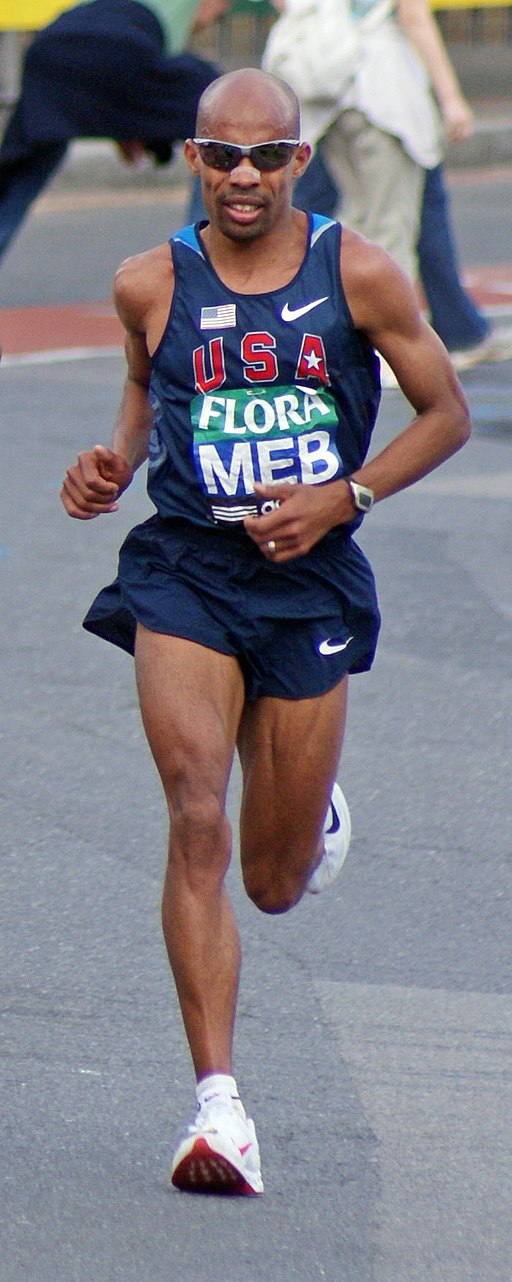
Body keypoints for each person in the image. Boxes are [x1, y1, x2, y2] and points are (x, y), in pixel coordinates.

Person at [60, 67, 470, 1196]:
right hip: (187, 571)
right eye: (220, 155)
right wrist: (110, 463)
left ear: (298, 160)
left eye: (266, 157)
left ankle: (309, 802)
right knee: (195, 812)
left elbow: (446, 412)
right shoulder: (148, 282)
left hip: (309, 583)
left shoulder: (359, 272)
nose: (242, 176)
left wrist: (346, 497)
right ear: (192, 158)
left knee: (273, 878)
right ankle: (219, 1109)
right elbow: (144, 408)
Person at [264, 0, 512, 374]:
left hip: (332, 97)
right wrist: (451, 99)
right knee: (389, 231)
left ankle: (335, 337)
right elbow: (413, 16)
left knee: (356, 220)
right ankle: (383, 352)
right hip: (383, 94)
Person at [0, 0, 227, 263]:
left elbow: (112, 98)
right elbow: (127, 90)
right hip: (119, 47)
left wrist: (128, 130)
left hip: (50, 49)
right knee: (215, 117)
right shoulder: (177, 23)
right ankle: (200, 256)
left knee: (28, 159)